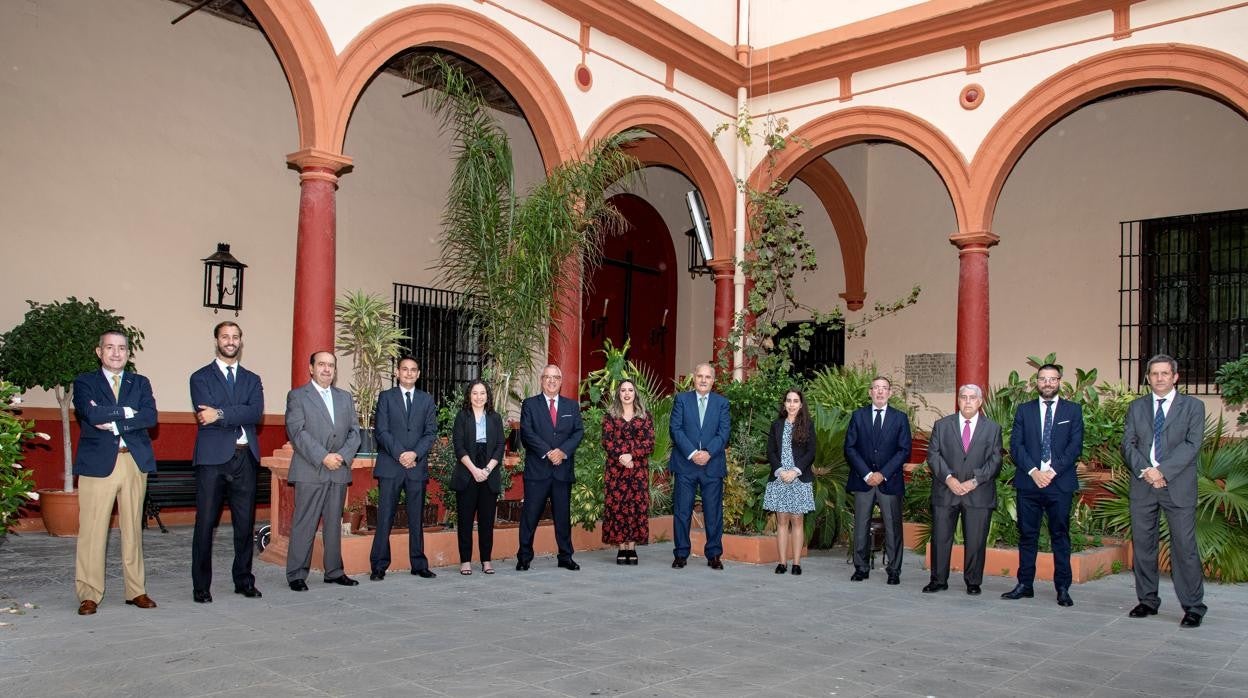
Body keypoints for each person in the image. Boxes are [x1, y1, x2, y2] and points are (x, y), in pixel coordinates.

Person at [71, 330, 158, 615]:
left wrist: (114, 417)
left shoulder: (140, 382)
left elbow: (150, 417)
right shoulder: (85, 382)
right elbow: (91, 414)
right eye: (110, 347)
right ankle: (89, 594)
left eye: (122, 348)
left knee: (133, 528)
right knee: (93, 530)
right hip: (98, 465)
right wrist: (128, 412)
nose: (116, 353)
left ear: (128, 353)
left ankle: (136, 591)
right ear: (99, 352)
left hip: (133, 461)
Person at [1123, 354, 1206, 628]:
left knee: (1184, 547)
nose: (1159, 378)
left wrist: (1163, 471)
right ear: (1148, 378)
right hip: (1143, 484)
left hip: (1177, 485)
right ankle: (1147, 600)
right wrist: (1147, 471)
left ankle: (1193, 606)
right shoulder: (1137, 407)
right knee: (1144, 546)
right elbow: (1128, 444)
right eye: (1154, 374)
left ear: (1175, 377)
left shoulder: (1193, 407)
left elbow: (1192, 444)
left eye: (1164, 373)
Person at [189, 321, 265, 603]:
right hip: (212, 460)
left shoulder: (252, 378)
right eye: (225, 337)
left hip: (245, 457)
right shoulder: (200, 377)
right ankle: (201, 586)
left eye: (235, 337)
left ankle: (244, 580)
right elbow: (203, 415)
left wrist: (220, 412)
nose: (230, 341)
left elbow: (255, 413)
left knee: (245, 525)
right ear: (216, 341)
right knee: (205, 523)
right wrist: (236, 412)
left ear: (241, 342)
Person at [1002, 363, 1083, 607]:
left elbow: (1074, 447)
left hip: (1060, 484)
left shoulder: (1073, 410)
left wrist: (1052, 472)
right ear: (1036, 382)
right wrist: (1034, 471)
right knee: (1027, 535)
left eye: (1052, 379)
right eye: (1042, 379)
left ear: (1059, 381)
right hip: (1029, 483)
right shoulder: (1024, 410)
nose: (1047, 383)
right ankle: (1025, 584)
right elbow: (1016, 446)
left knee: (1060, 536)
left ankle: (1062, 588)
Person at [285, 351, 361, 590]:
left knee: (333, 524)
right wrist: (323, 457)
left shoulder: (345, 398)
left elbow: (355, 433)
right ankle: (297, 574)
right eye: (321, 365)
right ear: (311, 368)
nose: (327, 369)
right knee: (304, 523)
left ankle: (334, 571)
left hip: (338, 469)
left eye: (331, 365)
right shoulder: (298, 396)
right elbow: (297, 432)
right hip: (310, 469)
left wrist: (342, 456)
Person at [924, 384, 1002, 595]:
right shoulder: (942, 425)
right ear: (958, 400)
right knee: (941, 537)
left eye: (972, 398)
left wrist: (974, 481)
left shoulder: (993, 428)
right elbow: (933, 455)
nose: (967, 401)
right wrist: (949, 478)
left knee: (976, 539)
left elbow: (995, 461)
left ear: (980, 401)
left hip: (978, 493)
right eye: (963, 397)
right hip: (945, 490)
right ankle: (938, 580)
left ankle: (973, 581)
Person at [369, 356, 438, 581]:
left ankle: (418, 563)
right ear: (397, 373)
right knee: (385, 516)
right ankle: (379, 565)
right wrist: (400, 454)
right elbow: (381, 431)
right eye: (404, 369)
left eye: (413, 370)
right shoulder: (386, 397)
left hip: (416, 467)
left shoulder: (426, 400)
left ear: (419, 374)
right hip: (391, 465)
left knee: (416, 517)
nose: (409, 373)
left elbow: (430, 433)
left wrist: (414, 454)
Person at [844, 376, 912, 584]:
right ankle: (861, 568)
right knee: (861, 525)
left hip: (889, 481)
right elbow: (850, 448)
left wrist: (882, 474)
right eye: (876, 388)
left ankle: (894, 570)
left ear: (890, 393)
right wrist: (867, 474)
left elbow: (904, 450)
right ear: (870, 392)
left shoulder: (900, 418)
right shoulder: (858, 416)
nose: (880, 392)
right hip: (862, 480)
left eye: (884, 388)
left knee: (893, 527)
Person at [517, 364, 584, 571]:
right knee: (530, 516)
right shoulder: (529, 404)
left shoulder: (571, 406)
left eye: (556, 377)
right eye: (548, 377)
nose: (552, 381)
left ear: (561, 381)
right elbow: (527, 433)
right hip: (538, 470)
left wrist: (562, 452)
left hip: (562, 471)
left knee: (562, 517)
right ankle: (524, 556)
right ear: (542, 380)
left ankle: (565, 556)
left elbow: (578, 433)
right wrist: (548, 452)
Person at [669, 362, 731, 570]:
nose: (704, 380)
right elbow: (675, 429)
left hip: (712, 465)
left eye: (708, 377)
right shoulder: (681, 400)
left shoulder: (722, 403)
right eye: (700, 376)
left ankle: (714, 554)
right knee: (682, 512)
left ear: (714, 381)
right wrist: (694, 453)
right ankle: (681, 554)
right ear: (693, 378)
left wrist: (708, 453)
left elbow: (724, 433)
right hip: (686, 464)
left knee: (713, 513)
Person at [451, 380, 505, 575]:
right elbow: (458, 446)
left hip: (489, 473)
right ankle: (465, 561)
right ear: (469, 395)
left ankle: (486, 560)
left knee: (487, 520)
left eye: (483, 393)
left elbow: (500, 445)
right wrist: (474, 470)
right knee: (465, 520)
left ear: (487, 396)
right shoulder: (462, 417)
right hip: (467, 472)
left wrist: (488, 469)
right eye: (475, 393)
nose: (479, 397)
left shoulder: (495, 418)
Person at [601, 379, 655, 565]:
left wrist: (631, 455)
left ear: (635, 393)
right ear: (618, 394)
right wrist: (623, 457)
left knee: (635, 508)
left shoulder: (645, 416)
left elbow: (649, 443)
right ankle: (621, 548)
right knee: (617, 508)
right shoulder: (610, 416)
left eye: (630, 390)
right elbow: (607, 441)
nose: (626, 393)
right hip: (616, 472)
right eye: (623, 390)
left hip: (638, 472)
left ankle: (631, 547)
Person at [763, 389, 816, 575]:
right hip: (779, 479)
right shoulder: (776, 425)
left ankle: (796, 563)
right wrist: (780, 471)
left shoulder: (808, 425)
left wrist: (794, 471)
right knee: (782, 521)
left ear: (801, 405)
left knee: (797, 521)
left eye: (795, 401)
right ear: (784, 404)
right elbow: (770, 451)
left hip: (799, 479)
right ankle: (782, 562)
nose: (792, 404)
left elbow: (811, 452)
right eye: (788, 400)